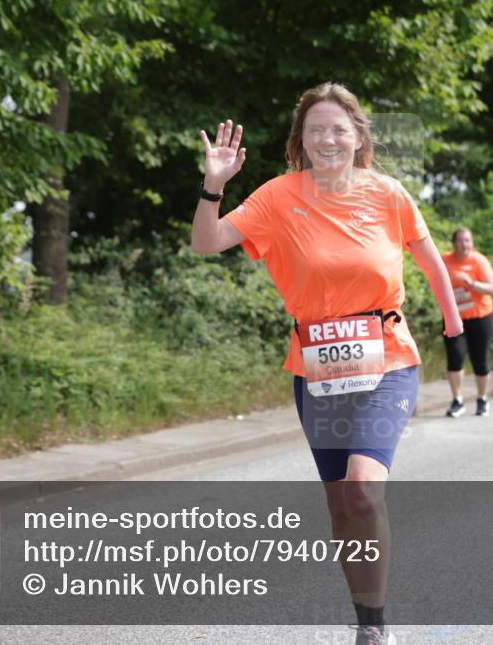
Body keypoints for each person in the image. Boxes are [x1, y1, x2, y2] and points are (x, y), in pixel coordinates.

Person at [191, 82, 463, 645]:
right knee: (342, 509)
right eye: (316, 128)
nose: (328, 138)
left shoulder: (388, 194)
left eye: (339, 127)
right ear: (301, 140)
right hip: (318, 372)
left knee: (364, 492)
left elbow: (430, 260)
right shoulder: (277, 196)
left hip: (387, 361)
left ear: (358, 136)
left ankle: (379, 628)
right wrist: (212, 187)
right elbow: (207, 242)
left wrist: (453, 320)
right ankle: (365, 618)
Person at [441, 227, 493, 417]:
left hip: (480, 317)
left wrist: (471, 283)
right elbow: (435, 279)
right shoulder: (445, 260)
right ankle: (457, 400)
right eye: (460, 241)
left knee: (479, 360)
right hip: (455, 319)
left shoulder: (479, 261)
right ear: (453, 243)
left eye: (467, 241)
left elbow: (491, 288)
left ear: (472, 243)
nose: (464, 245)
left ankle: (482, 399)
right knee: (455, 357)